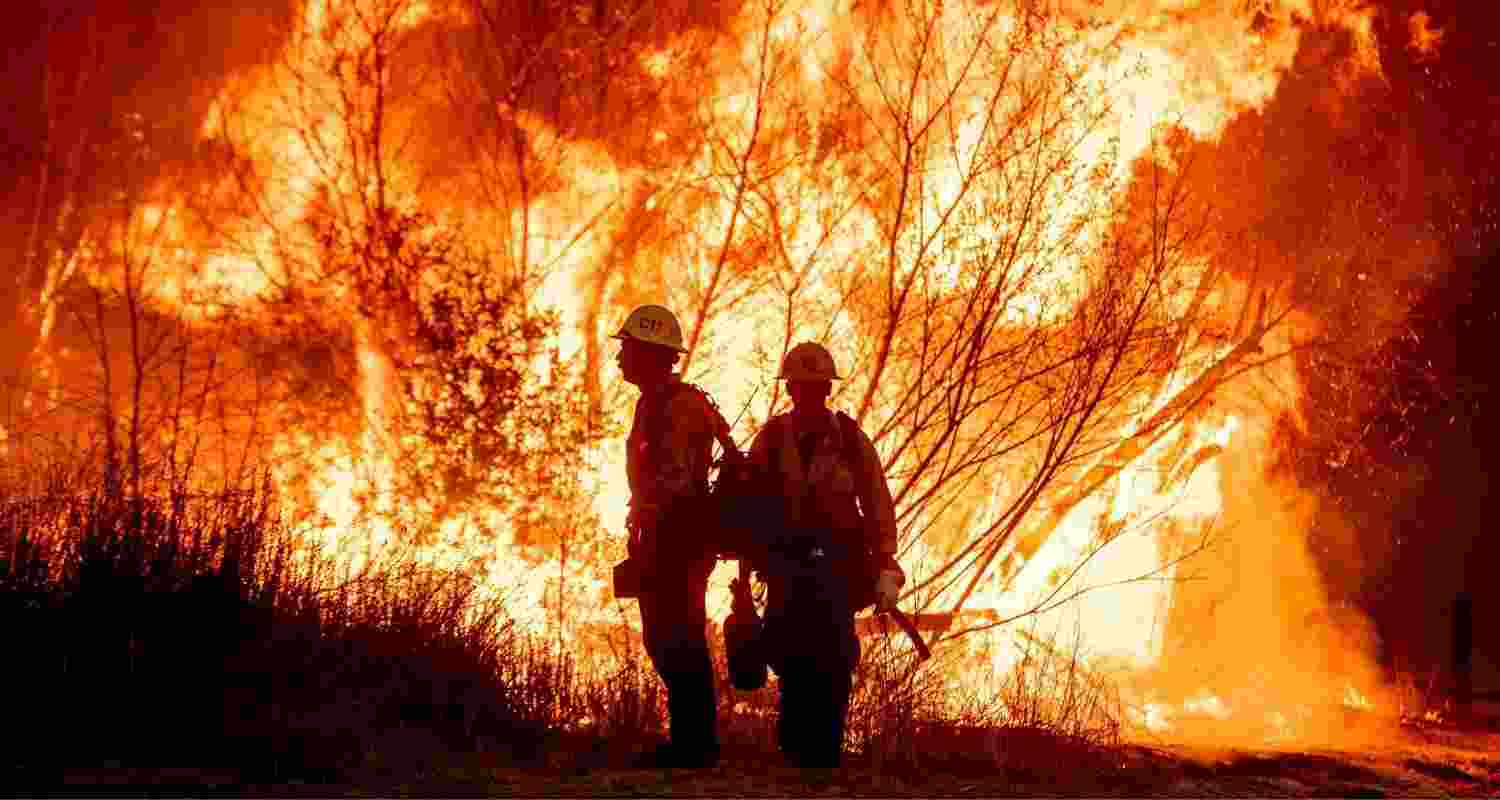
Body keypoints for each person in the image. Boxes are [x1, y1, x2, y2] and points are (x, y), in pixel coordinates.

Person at [746, 342, 906, 768]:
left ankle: (825, 750)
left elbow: (877, 503)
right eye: (801, 387)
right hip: (786, 566)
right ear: (790, 390)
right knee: (787, 652)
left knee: (833, 658)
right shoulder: (771, 440)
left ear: (827, 390)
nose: (808, 395)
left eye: (815, 388)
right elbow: (748, 502)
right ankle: (795, 748)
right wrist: (748, 560)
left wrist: (885, 562)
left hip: (837, 568)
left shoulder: (850, 440)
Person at [612, 304, 721, 769]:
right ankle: (689, 740)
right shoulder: (651, 402)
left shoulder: (681, 404)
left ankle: (695, 745)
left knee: (680, 637)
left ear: (652, 354)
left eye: (628, 349)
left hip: (681, 536)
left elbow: (677, 477)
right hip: (660, 534)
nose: (620, 358)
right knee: (663, 637)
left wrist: (650, 515)